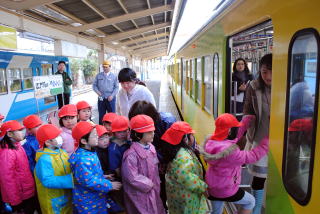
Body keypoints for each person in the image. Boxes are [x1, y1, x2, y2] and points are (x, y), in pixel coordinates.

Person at [201, 113, 269, 214]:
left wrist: (245, 123)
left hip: (212, 188)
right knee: (250, 202)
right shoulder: (232, 153)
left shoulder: (211, 142)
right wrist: (267, 141)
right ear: (229, 131)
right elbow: (252, 156)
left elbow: (232, 138)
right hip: (226, 190)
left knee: (216, 212)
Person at [128, 100, 176, 209]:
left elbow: (171, 150)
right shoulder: (130, 154)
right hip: (154, 168)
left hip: (165, 164)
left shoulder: (167, 122)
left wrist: (152, 158)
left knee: (163, 191)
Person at [69, 121, 122, 214]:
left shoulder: (90, 151)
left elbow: (88, 174)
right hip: (88, 201)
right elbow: (88, 181)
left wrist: (103, 177)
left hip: (95, 197)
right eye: (94, 135)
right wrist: (109, 185)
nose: (97, 136)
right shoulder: (82, 159)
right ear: (84, 141)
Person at [242, 53, 272, 214]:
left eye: (271, 71)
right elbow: (247, 110)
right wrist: (246, 125)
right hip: (260, 139)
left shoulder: (288, 84)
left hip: (282, 140)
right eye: (264, 71)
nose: (268, 76)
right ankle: (257, 209)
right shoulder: (254, 87)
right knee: (259, 177)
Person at [160, 121, 208, 214]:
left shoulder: (174, 151)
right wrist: (203, 187)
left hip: (177, 195)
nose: (193, 137)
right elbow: (187, 178)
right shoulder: (184, 157)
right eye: (191, 135)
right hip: (188, 198)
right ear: (185, 138)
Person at [121, 115, 165, 214]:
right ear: (138, 135)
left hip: (153, 188)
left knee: (156, 207)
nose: (153, 134)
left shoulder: (151, 147)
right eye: (149, 132)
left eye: (153, 131)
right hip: (140, 193)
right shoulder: (130, 155)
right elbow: (132, 177)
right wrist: (149, 184)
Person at [34, 124, 73, 214]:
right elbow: (48, 181)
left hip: (65, 195)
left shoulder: (62, 152)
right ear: (47, 142)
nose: (60, 138)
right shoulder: (44, 159)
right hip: (53, 199)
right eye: (57, 136)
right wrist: (70, 180)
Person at [0, 121, 36, 214]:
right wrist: (15, 201)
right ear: (9, 134)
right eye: (19, 130)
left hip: (26, 191)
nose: (22, 132)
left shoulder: (17, 145)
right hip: (21, 196)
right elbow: (7, 179)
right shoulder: (7, 153)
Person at [93, 60, 119, 124]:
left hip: (111, 98)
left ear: (110, 67)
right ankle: (101, 130)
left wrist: (112, 95)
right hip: (101, 98)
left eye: (106, 67)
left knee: (112, 115)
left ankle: (113, 128)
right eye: (103, 67)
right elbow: (94, 85)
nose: (105, 68)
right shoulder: (98, 76)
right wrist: (97, 92)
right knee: (101, 115)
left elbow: (116, 87)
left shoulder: (114, 76)